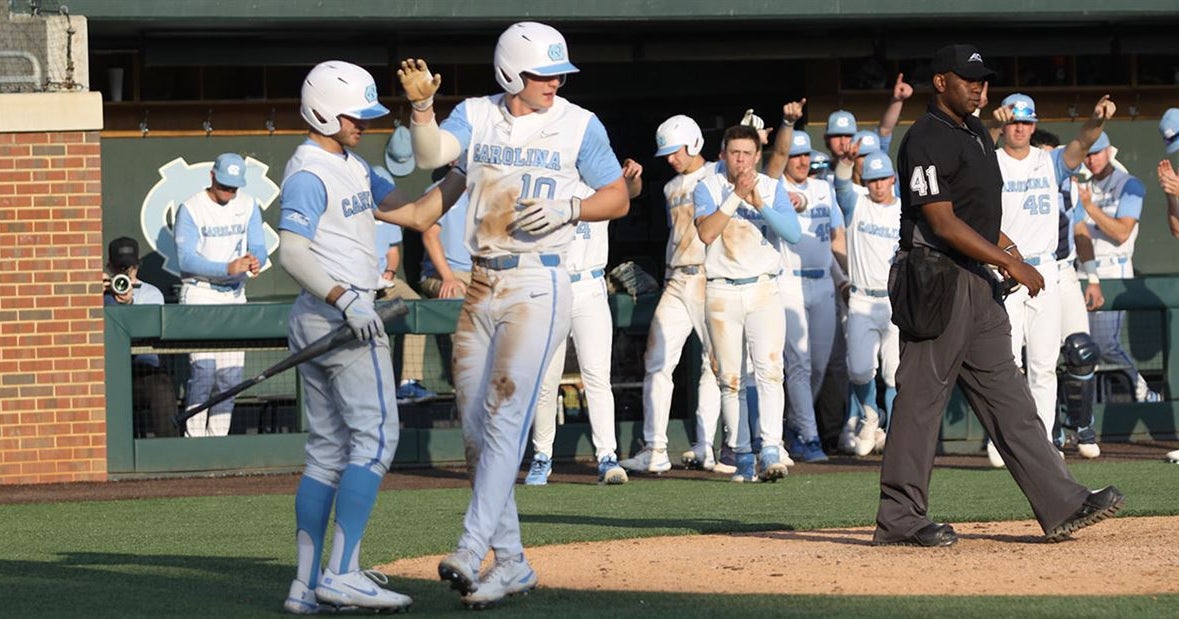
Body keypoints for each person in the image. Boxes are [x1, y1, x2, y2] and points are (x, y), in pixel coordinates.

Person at [399, 21, 630, 608]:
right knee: (476, 432)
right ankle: (512, 562)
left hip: (539, 279)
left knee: (504, 417)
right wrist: (423, 109)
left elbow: (618, 196)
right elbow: (432, 160)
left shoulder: (579, 122)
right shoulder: (477, 114)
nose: (554, 83)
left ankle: (470, 546)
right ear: (509, 72)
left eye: (560, 74)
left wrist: (572, 208)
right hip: (481, 281)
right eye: (542, 74)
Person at [875, 44, 1123, 548]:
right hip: (934, 278)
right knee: (920, 402)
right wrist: (1009, 262)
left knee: (1011, 400)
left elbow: (978, 216)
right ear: (940, 82)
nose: (979, 88)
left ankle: (1062, 502)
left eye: (983, 80)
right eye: (968, 79)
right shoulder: (925, 138)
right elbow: (941, 221)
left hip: (978, 282)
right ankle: (899, 518)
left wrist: (1006, 250)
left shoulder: (974, 133)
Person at [277, 60, 463, 614]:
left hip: (330, 313)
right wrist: (345, 298)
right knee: (377, 439)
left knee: (327, 452)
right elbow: (290, 252)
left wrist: (464, 174)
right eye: (353, 115)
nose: (364, 123)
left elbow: (416, 214)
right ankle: (342, 574)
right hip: (339, 312)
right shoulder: (310, 171)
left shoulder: (353, 164)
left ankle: (305, 586)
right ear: (322, 113)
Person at [985, 93, 1113, 468]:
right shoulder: (991, 160)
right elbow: (973, 152)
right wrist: (992, 126)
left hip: (1045, 269)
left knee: (1043, 365)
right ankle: (1002, 439)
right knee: (1006, 364)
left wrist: (1097, 119)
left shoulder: (1049, 161)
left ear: (1034, 125)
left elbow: (1082, 143)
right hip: (1004, 268)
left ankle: (1041, 443)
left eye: (1026, 122)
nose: (1019, 128)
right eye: (1013, 122)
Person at [619, 115, 735, 476]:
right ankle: (655, 448)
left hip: (708, 276)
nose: (671, 158)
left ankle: (708, 447)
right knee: (657, 362)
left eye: (676, 151)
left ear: (695, 143)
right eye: (667, 153)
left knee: (715, 364)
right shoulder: (669, 187)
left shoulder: (718, 173)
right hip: (676, 278)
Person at [694, 124, 803, 482]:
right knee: (730, 379)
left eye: (746, 153)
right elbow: (706, 232)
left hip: (763, 288)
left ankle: (770, 448)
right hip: (721, 290)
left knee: (770, 371)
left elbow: (793, 233)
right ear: (723, 155)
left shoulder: (771, 187)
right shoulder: (707, 186)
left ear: (757, 156)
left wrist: (759, 204)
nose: (740, 160)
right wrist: (736, 196)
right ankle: (741, 453)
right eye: (734, 153)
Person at [528, 163, 642, 486]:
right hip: (552, 284)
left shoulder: (600, 183)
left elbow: (630, 194)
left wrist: (632, 179)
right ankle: (542, 456)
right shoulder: (543, 182)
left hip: (590, 285)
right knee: (547, 380)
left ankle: (607, 457)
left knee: (597, 377)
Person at [174, 152, 268, 438]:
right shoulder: (191, 207)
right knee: (203, 373)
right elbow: (186, 259)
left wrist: (256, 260)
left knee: (230, 377)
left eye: (233, 187)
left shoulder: (248, 204)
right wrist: (226, 268)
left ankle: (218, 441)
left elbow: (259, 246)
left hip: (234, 294)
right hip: (201, 292)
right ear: (212, 176)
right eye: (224, 185)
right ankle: (195, 443)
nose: (229, 191)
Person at [1029, 129, 1107, 460]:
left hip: (1064, 270)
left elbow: (1079, 229)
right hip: (1028, 272)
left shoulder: (1070, 186)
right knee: (1035, 359)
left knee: (1082, 350)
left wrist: (1093, 277)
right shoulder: (1019, 183)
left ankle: (1083, 426)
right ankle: (1048, 431)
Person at [778, 128, 845, 463]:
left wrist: (843, 279)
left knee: (817, 366)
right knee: (799, 364)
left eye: (805, 155)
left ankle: (793, 423)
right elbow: (791, 201)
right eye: (795, 156)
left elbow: (836, 237)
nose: (802, 161)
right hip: (789, 281)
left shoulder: (823, 188)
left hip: (823, 283)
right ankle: (809, 435)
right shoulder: (775, 185)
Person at [1079, 132, 1161, 403]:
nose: (1091, 160)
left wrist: (1088, 206)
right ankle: (1086, 410)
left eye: (1096, 153)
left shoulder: (1129, 184)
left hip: (1113, 269)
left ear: (1108, 151)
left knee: (1106, 343)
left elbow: (1122, 233)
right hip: (1083, 270)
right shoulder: (1082, 183)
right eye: (1087, 155)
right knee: (1080, 343)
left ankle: (1143, 391)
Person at [833, 151, 900, 457]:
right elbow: (841, 186)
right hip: (861, 298)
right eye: (872, 180)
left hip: (893, 300)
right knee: (859, 371)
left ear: (892, 179)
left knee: (895, 373)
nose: (878, 185)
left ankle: (896, 435)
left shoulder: (903, 211)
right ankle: (871, 415)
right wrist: (847, 163)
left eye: (882, 179)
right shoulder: (857, 204)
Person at [104, 237, 177, 438]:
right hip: (105, 373)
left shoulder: (150, 293)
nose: (126, 273)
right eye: (120, 268)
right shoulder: (100, 292)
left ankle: (169, 450)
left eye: (130, 268)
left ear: (138, 266)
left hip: (141, 372)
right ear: (109, 266)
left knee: (162, 387)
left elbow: (146, 333)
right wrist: (98, 295)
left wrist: (129, 304)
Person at [371, 210, 436, 405]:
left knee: (415, 305)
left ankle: (407, 382)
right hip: (353, 284)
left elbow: (392, 253)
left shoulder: (386, 212)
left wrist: (390, 272)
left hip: (385, 282)